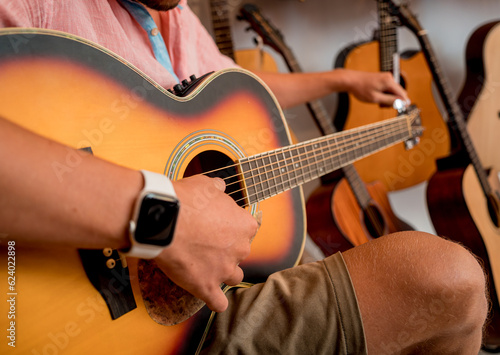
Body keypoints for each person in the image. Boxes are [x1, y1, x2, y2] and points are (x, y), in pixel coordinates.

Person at [0, 0, 488, 354]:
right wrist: (163, 218)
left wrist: (343, 81)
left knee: (448, 287)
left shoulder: (174, 16)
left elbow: (237, 90)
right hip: (88, 319)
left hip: (208, 301)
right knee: (449, 277)